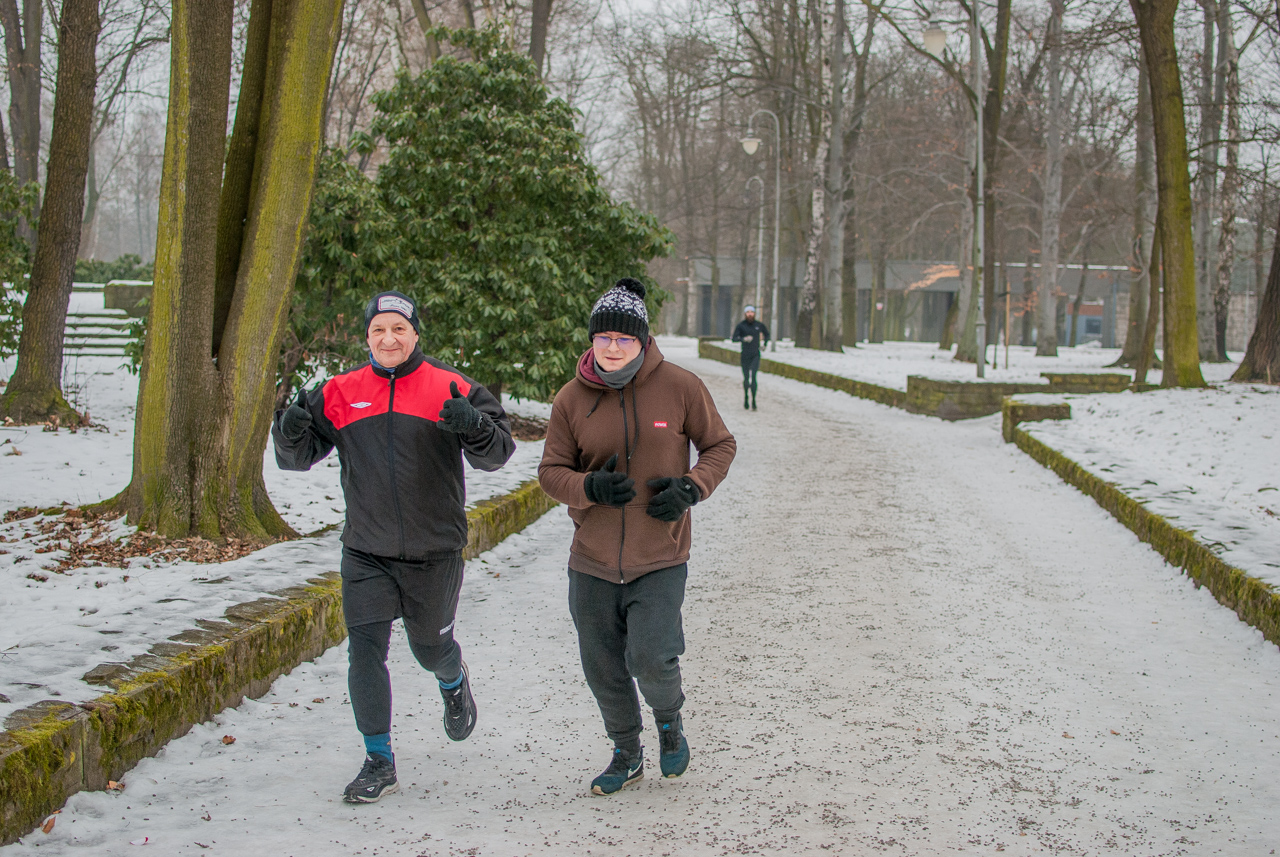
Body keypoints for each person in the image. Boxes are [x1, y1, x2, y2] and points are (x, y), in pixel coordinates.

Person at [272, 290, 515, 804]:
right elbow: (294, 459)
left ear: (415, 334)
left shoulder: (451, 385)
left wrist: (472, 425)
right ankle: (378, 759)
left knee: (429, 650)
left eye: (399, 329)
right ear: (366, 337)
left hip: (435, 551)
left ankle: (452, 680)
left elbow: (498, 453)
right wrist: (288, 429)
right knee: (365, 653)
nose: (389, 339)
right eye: (379, 330)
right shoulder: (338, 392)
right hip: (366, 550)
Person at [539, 277, 736, 795]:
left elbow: (720, 445)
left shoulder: (680, 386)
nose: (612, 347)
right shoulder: (569, 399)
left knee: (650, 656)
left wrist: (692, 488)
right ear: (591, 340)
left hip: (660, 555)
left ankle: (668, 719)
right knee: (603, 667)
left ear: (643, 340)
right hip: (592, 559)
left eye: (624, 339)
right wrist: (588, 488)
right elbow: (550, 471)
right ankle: (626, 751)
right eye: (603, 337)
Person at [731, 305, 770, 410]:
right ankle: (746, 398)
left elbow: (767, 334)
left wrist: (764, 344)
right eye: (748, 312)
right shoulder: (741, 326)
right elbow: (734, 338)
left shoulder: (758, 325)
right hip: (745, 355)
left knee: (754, 378)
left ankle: (754, 400)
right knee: (746, 378)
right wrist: (744, 339)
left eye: (751, 312)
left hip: (755, 354)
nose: (750, 314)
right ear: (745, 314)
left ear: (754, 314)